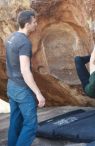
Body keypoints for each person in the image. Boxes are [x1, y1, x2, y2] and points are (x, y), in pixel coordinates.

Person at [5, 10, 45, 146]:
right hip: (22, 89)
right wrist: (38, 94)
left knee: (15, 123)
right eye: (34, 22)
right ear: (27, 24)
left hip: (11, 86)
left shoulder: (11, 37)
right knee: (30, 125)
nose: (36, 24)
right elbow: (25, 71)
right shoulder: (24, 43)